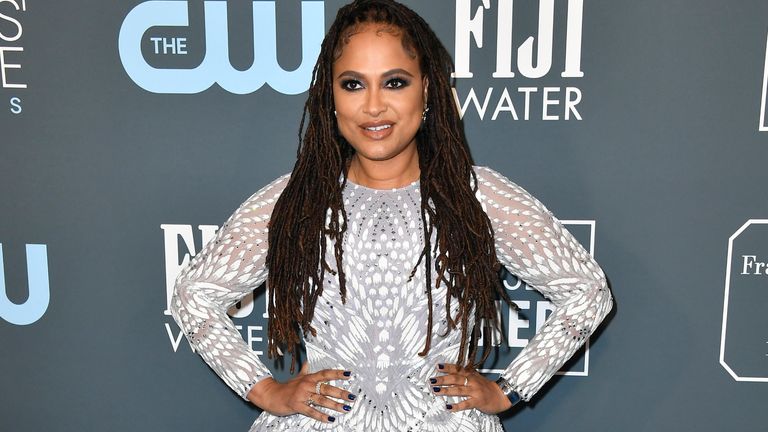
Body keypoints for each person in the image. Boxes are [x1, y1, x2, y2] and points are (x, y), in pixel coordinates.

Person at [170, 0, 614, 431]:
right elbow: (194, 294)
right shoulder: (296, 200)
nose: (374, 106)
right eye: (353, 84)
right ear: (330, 97)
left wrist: (509, 390)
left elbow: (588, 292)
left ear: (428, 88)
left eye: (395, 82)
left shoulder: (476, 195)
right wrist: (266, 390)